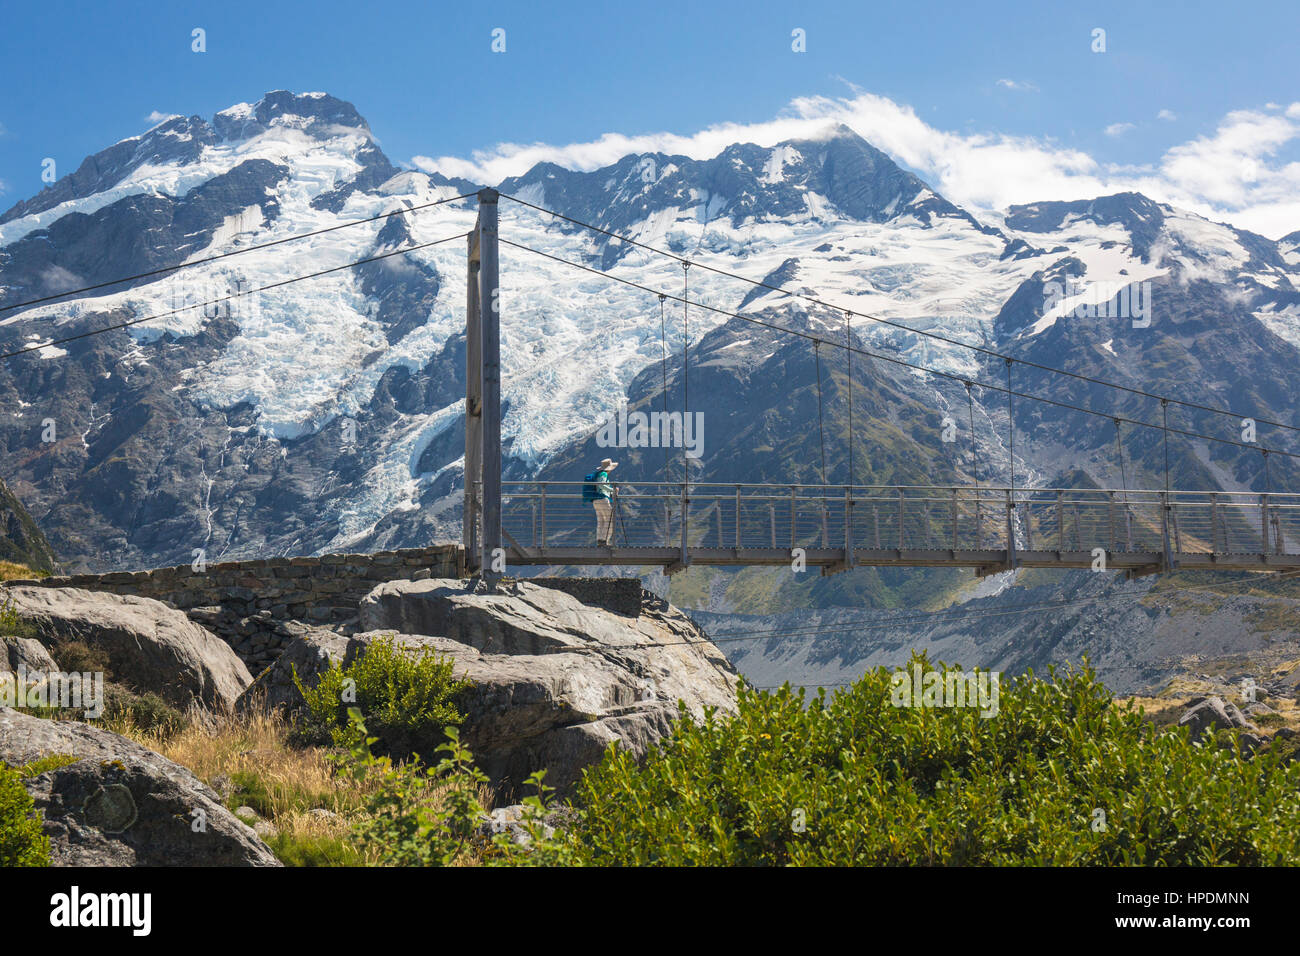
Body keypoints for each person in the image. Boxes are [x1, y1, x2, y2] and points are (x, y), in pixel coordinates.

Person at [586, 457, 618, 545]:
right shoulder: (604, 474)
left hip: (595, 501)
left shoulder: (597, 474)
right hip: (602, 499)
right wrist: (613, 490)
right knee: (610, 520)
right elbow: (601, 485)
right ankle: (604, 541)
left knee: (601, 521)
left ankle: (600, 540)